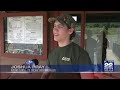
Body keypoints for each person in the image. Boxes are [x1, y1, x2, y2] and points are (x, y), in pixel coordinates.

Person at [41, 14, 96, 79]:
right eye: (54, 26)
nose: (55, 30)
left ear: (70, 31)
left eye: (60, 26)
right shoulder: (52, 53)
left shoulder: (80, 54)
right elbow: (45, 75)